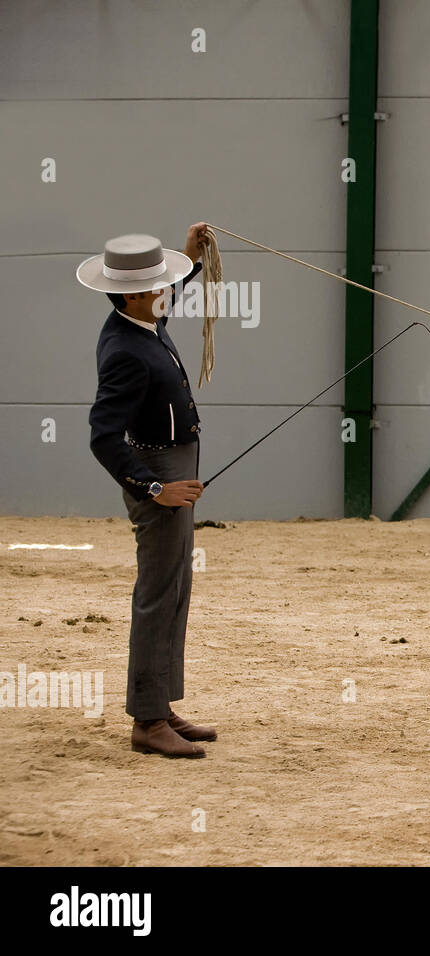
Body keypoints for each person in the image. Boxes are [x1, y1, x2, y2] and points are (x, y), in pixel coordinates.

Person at [77, 225, 219, 758]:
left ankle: (160, 705)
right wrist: (155, 486)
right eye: (160, 284)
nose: (168, 292)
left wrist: (189, 257)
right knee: (158, 595)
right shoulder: (123, 351)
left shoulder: (141, 316)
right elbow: (102, 436)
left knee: (176, 588)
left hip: (174, 468)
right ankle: (146, 720)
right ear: (133, 293)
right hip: (157, 474)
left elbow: (167, 299)